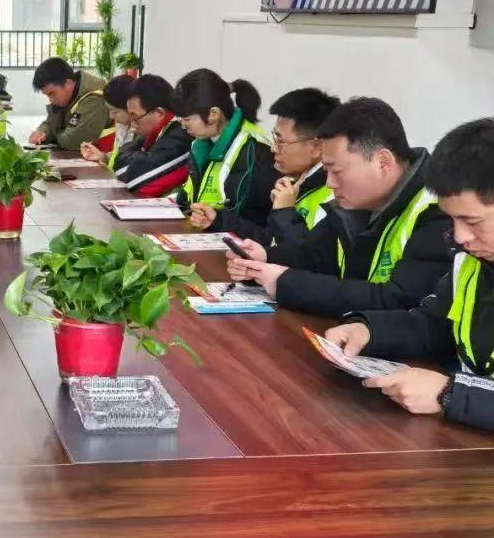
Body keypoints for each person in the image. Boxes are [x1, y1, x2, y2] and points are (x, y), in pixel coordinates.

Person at [324, 119, 494, 430]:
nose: (459, 237)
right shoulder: (472, 261)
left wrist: (450, 395)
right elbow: (432, 326)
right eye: (453, 220)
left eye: (472, 222)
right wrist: (369, 330)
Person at [226, 97, 452, 317]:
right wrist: (264, 259)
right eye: (327, 171)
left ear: (383, 162)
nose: (330, 183)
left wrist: (285, 283)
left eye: (337, 171)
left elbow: (398, 299)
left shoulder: (437, 211)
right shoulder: (356, 202)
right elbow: (314, 257)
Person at [206, 87, 340, 245]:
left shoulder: (334, 198)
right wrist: (219, 219)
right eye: (275, 138)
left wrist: (285, 212)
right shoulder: (296, 183)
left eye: (280, 141)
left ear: (316, 147)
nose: (273, 148)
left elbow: (303, 256)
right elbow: (270, 241)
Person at [172, 68, 276, 229]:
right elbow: (186, 199)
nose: (183, 126)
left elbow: (253, 219)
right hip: (202, 233)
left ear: (213, 114)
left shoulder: (254, 149)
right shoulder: (202, 143)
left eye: (187, 119)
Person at [84, 73, 192, 197]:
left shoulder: (180, 135)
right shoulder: (153, 132)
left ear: (159, 113)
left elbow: (130, 177)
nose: (132, 123)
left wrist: (131, 157)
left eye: (134, 116)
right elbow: (122, 156)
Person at [27, 57, 109, 151]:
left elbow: (72, 141)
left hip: (105, 157)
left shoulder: (94, 99)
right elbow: (51, 123)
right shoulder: (67, 97)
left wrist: (53, 133)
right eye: (47, 95)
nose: (51, 100)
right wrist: (42, 132)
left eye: (52, 94)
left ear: (68, 83)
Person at [79, 75, 136, 168]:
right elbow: (118, 157)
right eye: (109, 110)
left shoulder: (143, 131)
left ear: (131, 107)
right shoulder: (122, 125)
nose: (111, 116)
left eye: (115, 112)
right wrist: (102, 157)